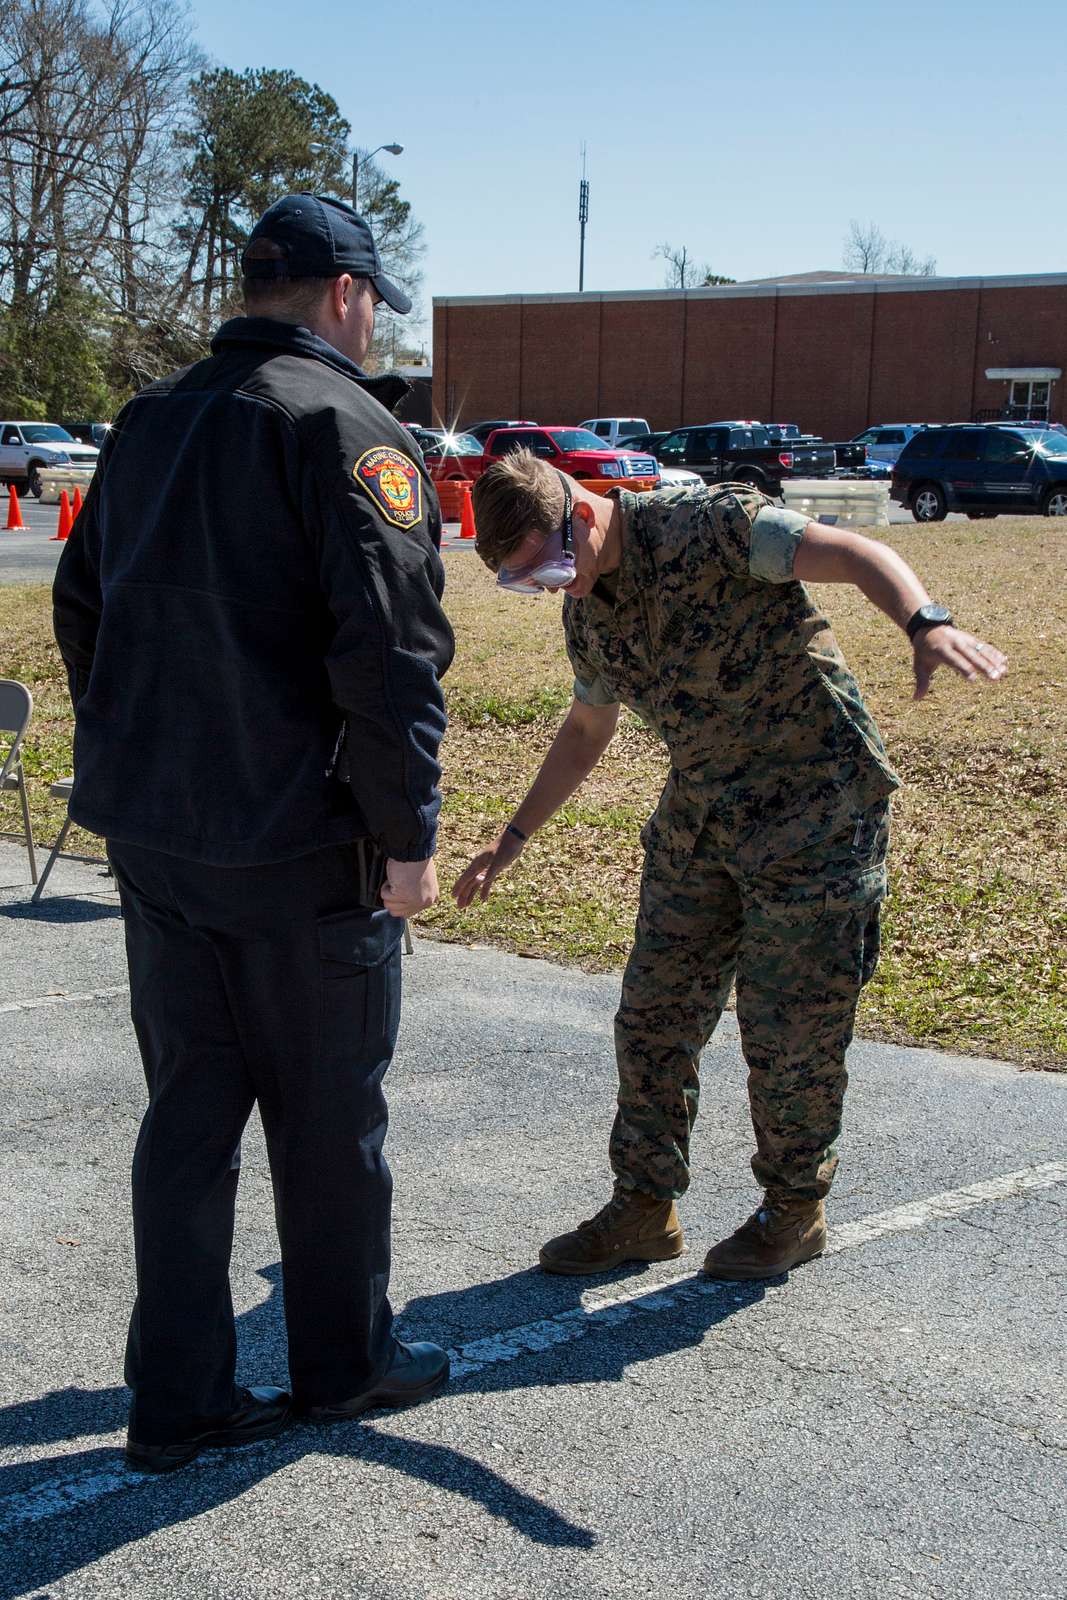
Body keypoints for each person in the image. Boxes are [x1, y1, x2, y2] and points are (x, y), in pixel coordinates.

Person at [52, 194, 455, 1473]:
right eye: (375, 299)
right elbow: (389, 656)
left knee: (188, 1117)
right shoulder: (343, 425)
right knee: (328, 1124)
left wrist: (147, 753)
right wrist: (408, 836)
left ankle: (176, 1401)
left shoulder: (150, 420)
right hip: (296, 852)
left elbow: (82, 611)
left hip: (160, 839)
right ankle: (343, 1366)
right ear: (346, 293)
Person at [455, 454, 1007, 1281]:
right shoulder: (588, 612)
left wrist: (925, 621)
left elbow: (856, 555)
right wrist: (512, 837)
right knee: (651, 1018)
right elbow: (583, 728)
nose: (553, 590)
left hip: (814, 808)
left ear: (581, 514)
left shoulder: (710, 526)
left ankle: (791, 1213)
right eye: (527, 583)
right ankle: (643, 1207)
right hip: (703, 815)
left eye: (552, 568)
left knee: (790, 1032)